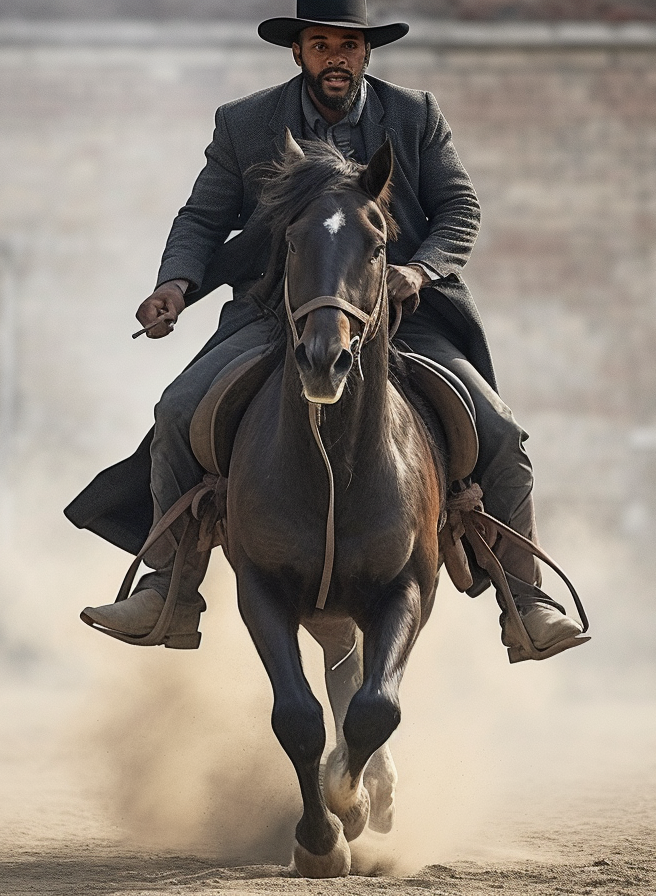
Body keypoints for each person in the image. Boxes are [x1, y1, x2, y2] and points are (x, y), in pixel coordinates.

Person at [68, 0, 587, 661]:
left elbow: (461, 207)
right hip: (275, 311)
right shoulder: (245, 124)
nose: (334, 57)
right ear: (298, 52)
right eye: (320, 44)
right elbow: (202, 219)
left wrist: (420, 272)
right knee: (175, 409)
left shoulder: (417, 117)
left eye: (347, 45)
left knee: (503, 432)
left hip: (401, 314)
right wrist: (176, 285)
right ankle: (169, 590)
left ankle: (526, 601)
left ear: (366, 53)